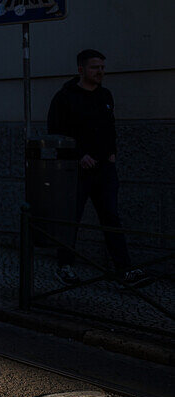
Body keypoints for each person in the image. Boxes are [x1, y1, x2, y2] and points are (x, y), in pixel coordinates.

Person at [47, 49, 149, 288]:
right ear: (81, 69)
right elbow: (56, 132)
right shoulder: (65, 97)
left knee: (111, 218)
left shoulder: (105, 95)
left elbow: (109, 126)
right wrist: (79, 155)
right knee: (72, 219)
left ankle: (124, 270)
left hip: (104, 169)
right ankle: (65, 266)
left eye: (102, 67)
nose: (100, 72)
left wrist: (112, 153)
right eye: (95, 67)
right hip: (76, 171)